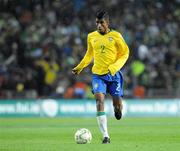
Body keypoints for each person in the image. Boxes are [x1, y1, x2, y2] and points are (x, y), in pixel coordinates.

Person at [72, 10, 129, 144]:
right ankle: (106, 136)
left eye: (101, 22)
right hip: (98, 74)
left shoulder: (116, 36)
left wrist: (114, 67)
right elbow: (89, 54)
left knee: (117, 102)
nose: (99, 25)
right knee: (99, 100)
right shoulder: (91, 36)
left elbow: (125, 53)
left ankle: (118, 109)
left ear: (107, 23)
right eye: (97, 22)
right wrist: (80, 66)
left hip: (114, 75)